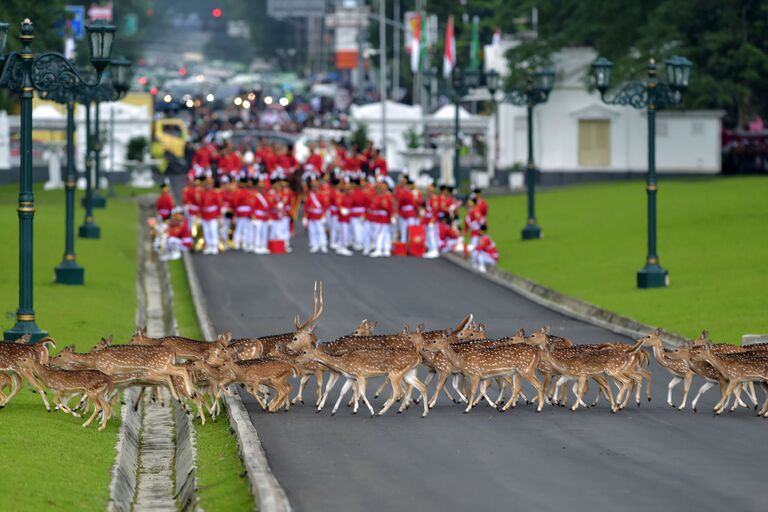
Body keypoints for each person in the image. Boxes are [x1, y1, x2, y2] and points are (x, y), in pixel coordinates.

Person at [368, 180, 394, 258]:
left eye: (383, 186)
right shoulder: (376, 195)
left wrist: (392, 216)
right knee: (380, 233)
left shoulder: (388, 196)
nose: (381, 188)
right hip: (377, 217)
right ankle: (385, 249)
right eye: (380, 186)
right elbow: (373, 206)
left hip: (384, 217)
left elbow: (391, 207)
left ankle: (380, 249)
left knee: (382, 233)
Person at [304, 178, 328, 254]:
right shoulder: (309, 195)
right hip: (311, 216)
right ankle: (314, 245)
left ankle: (323, 245)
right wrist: (305, 217)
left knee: (320, 231)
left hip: (319, 215)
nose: (314, 188)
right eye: (313, 186)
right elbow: (306, 207)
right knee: (312, 231)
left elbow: (324, 206)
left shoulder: (322, 195)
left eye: (315, 186)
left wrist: (323, 216)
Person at [200, 177, 223, 255]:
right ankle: (208, 245)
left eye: (209, 184)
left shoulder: (215, 193)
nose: (208, 186)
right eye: (207, 184)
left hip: (212, 215)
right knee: (206, 231)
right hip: (204, 215)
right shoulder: (202, 193)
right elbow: (201, 204)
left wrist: (218, 214)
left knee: (213, 230)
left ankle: (214, 246)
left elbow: (219, 205)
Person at [250, 177, 272, 254]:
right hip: (258, 217)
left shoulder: (267, 196)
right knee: (257, 233)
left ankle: (263, 246)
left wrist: (269, 217)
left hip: (265, 217)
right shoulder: (256, 196)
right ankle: (257, 246)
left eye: (263, 187)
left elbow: (268, 208)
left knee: (264, 232)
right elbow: (252, 208)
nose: (262, 189)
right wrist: (253, 217)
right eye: (260, 188)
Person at [232, 177, 254, 251]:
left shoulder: (237, 193)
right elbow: (251, 204)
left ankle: (237, 244)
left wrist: (236, 213)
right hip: (246, 213)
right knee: (246, 229)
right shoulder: (250, 193)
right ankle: (245, 243)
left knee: (239, 229)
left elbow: (235, 204)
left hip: (240, 213)